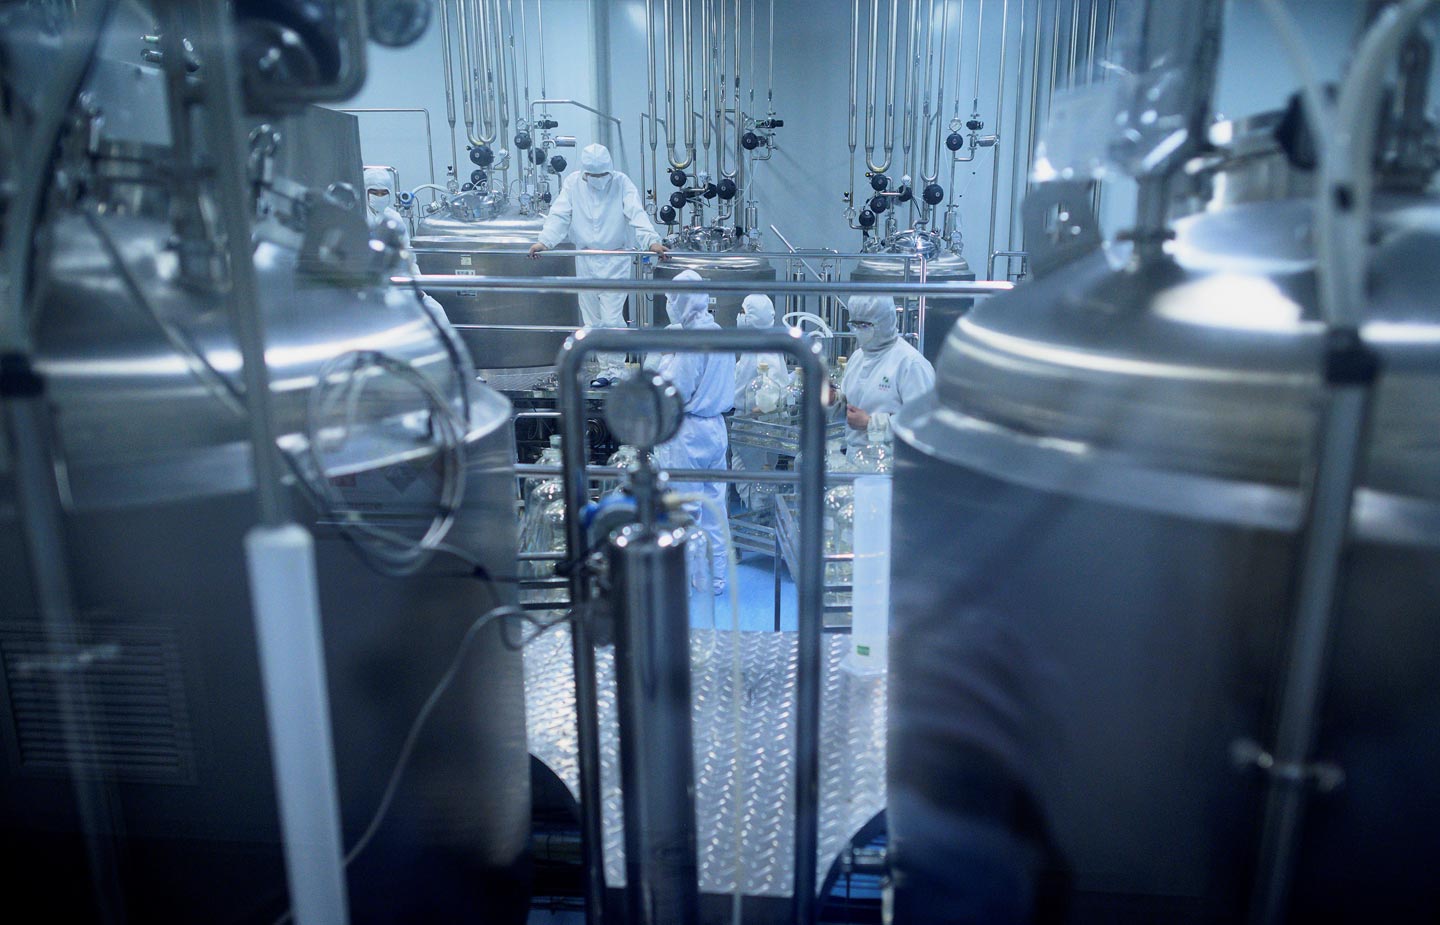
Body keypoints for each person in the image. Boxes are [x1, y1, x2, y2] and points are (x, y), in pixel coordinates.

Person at [529, 143, 669, 378]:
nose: (598, 180)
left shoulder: (621, 182)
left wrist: (651, 241)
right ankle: (603, 370)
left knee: (612, 319)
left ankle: (615, 371)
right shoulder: (573, 183)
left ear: (610, 171)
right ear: (585, 173)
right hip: (585, 258)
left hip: (615, 258)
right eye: (593, 175)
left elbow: (636, 213)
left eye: (603, 175)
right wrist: (545, 241)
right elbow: (560, 215)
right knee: (592, 320)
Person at [649, 270, 735, 594]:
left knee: (683, 510)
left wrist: (663, 361)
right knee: (715, 508)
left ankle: (682, 582)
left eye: (672, 299)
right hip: (716, 427)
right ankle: (713, 579)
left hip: (686, 431)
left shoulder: (688, 342)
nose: (670, 305)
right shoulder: (720, 333)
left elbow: (676, 390)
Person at [840, 294, 936, 451]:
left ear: (884, 322)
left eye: (864, 326)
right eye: (854, 325)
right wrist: (834, 400)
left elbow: (924, 423)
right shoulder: (858, 357)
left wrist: (871, 423)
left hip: (892, 465)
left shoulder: (910, 364)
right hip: (855, 461)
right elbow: (849, 405)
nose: (858, 332)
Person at [364, 167, 450, 325]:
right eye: (374, 192)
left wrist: (417, 287)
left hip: (399, 282)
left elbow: (409, 257)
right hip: (371, 288)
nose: (379, 197)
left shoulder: (394, 217)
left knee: (436, 310)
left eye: (384, 193)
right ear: (366, 192)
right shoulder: (360, 218)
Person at [732, 294, 789, 510]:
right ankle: (760, 517)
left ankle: (758, 520)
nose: (740, 317)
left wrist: (759, 409)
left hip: (754, 424)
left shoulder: (761, 351)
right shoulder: (762, 344)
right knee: (760, 473)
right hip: (759, 422)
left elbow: (772, 391)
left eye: (744, 313)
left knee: (752, 476)